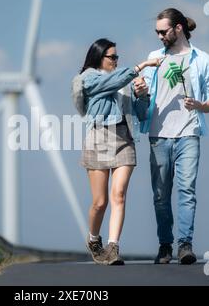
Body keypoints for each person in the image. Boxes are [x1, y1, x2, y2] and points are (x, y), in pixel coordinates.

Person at [134, 8, 209, 264]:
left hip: (189, 133)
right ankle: (165, 245)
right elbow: (143, 97)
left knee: (187, 190)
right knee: (160, 195)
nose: (159, 36)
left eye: (163, 31)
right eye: (157, 32)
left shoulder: (202, 59)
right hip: (158, 135)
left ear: (178, 28)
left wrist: (200, 105)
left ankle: (185, 245)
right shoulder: (153, 58)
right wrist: (140, 91)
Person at [72, 38, 161, 265]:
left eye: (117, 57)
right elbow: (108, 84)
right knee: (100, 202)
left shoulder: (125, 79)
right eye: (112, 57)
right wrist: (141, 66)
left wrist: (142, 95)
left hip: (124, 138)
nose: (116, 61)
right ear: (99, 57)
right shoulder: (87, 78)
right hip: (99, 138)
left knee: (119, 195)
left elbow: (140, 113)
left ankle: (113, 247)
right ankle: (94, 240)